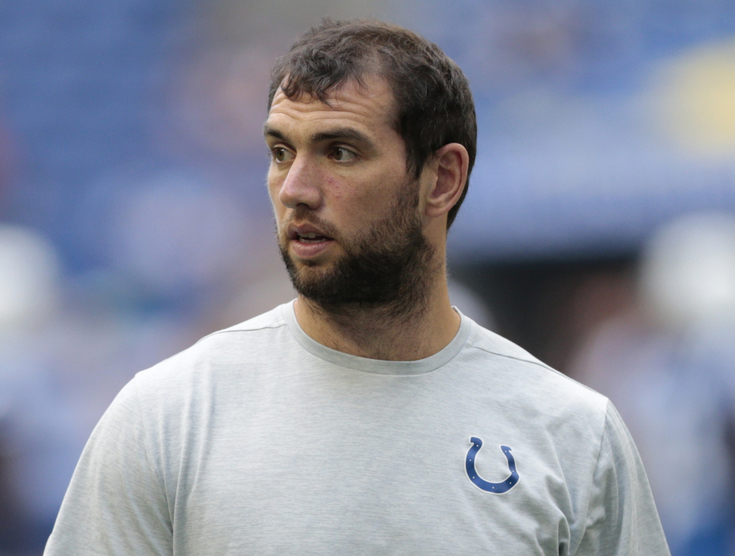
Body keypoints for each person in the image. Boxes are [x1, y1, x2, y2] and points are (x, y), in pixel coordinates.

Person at [44, 19, 670, 555]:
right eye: (281, 151)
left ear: (442, 178)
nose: (295, 189)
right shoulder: (168, 417)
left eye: (340, 152)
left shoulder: (572, 434)